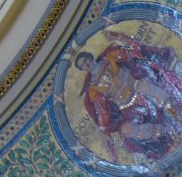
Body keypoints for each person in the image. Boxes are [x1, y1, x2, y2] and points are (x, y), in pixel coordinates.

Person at [76, 28, 182, 161]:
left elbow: (131, 49)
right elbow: (102, 110)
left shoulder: (110, 57)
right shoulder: (92, 89)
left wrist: (119, 37)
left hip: (136, 86)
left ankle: (178, 117)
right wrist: (104, 129)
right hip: (127, 108)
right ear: (82, 69)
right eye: (83, 65)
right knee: (126, 130)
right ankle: (167, 132)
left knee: (153, 90)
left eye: (86, 60)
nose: (86, 64)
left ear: (91, 57)